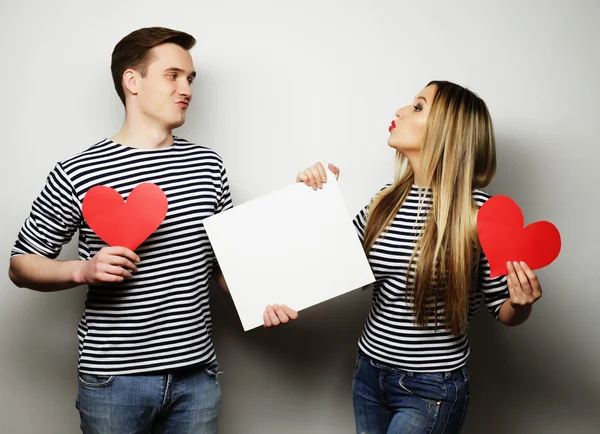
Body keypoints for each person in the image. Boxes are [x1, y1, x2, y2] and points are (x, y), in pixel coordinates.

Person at [264, 80, 543, 434]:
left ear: (448, 130)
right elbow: (333, 263)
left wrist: (521, 303)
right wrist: (312, 200)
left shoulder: (481, 213)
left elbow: (504, 310)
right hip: (368, 374)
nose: (399, 111)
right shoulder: (385, 199)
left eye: (418, 106)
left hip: (431, 390)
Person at [9, 27, 232, 434]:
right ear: (132, 81)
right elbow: (20, 265)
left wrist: (305, 206)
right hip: (113, 381)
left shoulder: (209, 166)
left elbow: (227, 269)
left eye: (190, 78)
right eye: (173, 75)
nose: (186, 88)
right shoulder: (78, 171)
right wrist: (83, 269)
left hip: (197, 378)